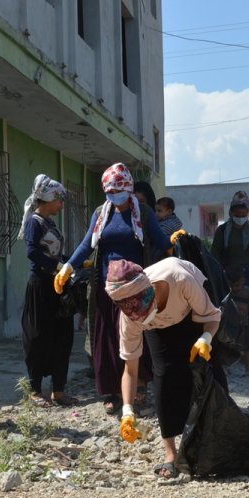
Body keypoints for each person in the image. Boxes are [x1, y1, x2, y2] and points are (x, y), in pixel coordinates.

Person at [55, 163, 173, 414]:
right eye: (109, 192)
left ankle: (138, 385)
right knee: (107, 337)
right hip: (107, 287)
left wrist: (176, 242)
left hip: (137, 287)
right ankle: (111, 391)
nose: (114, 196)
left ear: (128, 188)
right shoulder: (101, 213)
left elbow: (162, 243)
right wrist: (68, 266)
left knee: (136, 336)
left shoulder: (143, 212)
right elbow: (87, 244)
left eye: (118, 191)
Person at [104, 258, 223, 479]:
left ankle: (215, 444)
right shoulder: (130, 318)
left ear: (148, 289)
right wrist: (127, 410)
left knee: (209, 373)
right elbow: (130, 369)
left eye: (145, 307)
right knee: (165, 375)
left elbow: (212, 316)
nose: (140, 314)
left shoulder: (181, 279)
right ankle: (171, 455)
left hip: (191, 316)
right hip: (158, 331)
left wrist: (206, 337)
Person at [19, 174, 76, 407]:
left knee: (62, 336)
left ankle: (59, 390)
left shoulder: (51, 223)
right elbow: (32, 252)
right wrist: (57, 266)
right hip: (41, 286)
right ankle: (34, 390)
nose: (61, 204)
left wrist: (72, 263)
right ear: (49, 198)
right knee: (37, 337)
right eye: (59, 200)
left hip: (57, 286)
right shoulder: (34, 222)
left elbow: (56, 252)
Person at [210, 190, 249, 287]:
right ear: (232, 212)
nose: (240, 218)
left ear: (247, 213)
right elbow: (215, 253)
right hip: (230, 273)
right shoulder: (222, 230)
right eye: (237, 215)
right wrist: (220, 271)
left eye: (243, 215)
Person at [225, 264, 249, 376]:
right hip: (230, 325)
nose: (235, 288)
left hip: (243, 325)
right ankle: (226, 367)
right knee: (227, 346)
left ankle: (248, 370)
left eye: (237, 285)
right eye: (233, 286)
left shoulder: (247, 291)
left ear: (243, 280)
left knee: (246, 348)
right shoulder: (227, 292)